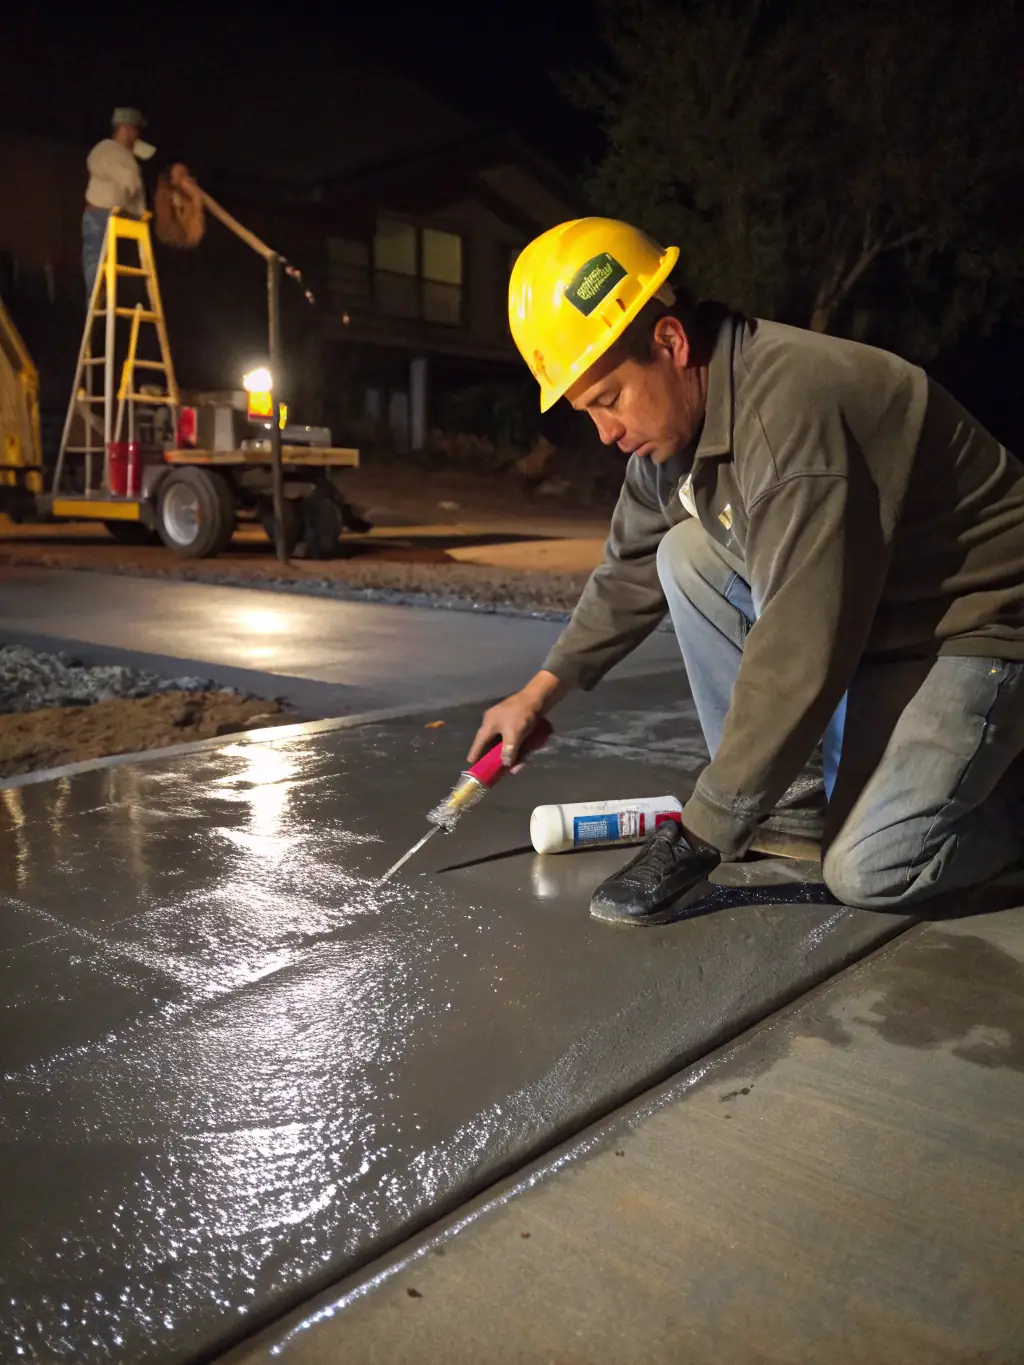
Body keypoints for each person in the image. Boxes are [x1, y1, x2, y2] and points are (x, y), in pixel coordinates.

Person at [470, 218, 1024, 923]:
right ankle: (787, 814)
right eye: (588, 411)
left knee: (873, 866)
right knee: (682, 553)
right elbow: (631, 567)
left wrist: (703, 831)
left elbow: (800, 649)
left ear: (670, 342)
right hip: (880, 614)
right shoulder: (669, 438)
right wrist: (537, 693)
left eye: (608, 399)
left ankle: (1011, 806)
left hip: (976, 625)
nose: (605, 432)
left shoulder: (793, 411)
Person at [82, 107, 156, 300]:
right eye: (134, 130)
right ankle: (100, 301)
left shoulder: (121, 153)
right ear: (125, 128)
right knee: (98, 263)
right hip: (104, 215)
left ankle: (113, 302)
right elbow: (130, 184)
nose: (137, 134)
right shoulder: (107, 151)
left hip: (115, 216)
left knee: (109, 264)